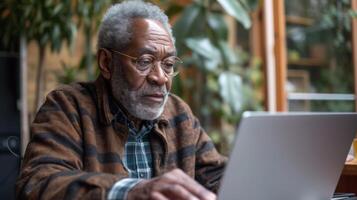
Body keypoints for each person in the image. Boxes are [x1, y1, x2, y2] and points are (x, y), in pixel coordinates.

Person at [16, 1, 226, 199]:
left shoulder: (179, 112)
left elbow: (216, 175)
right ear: (107, 63)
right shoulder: (68, 107)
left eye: (169, 64)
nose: (161, 77)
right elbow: (37, 183)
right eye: (144, 61)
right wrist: (133, 191)